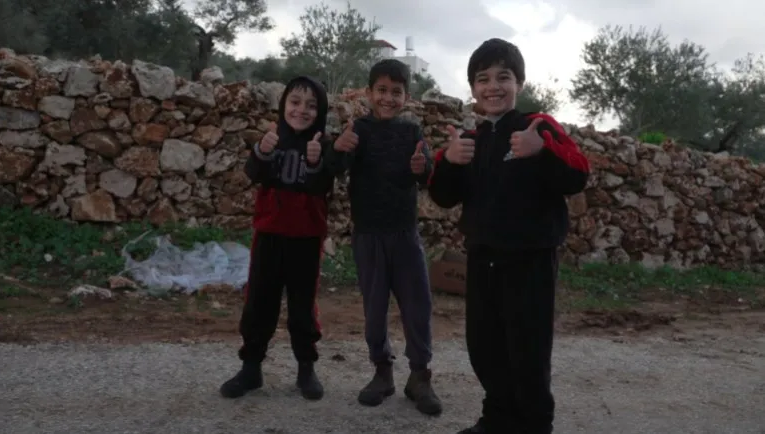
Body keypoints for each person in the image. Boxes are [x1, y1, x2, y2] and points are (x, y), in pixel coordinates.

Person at [427, 38, 590, 433]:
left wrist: (541, 151)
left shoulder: (539, 126)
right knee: (485, 346)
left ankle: (534, 425)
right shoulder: (469, 140)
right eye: (482, 79)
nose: (492, 87)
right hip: (482, 257)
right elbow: (442, 196)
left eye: (503, 77)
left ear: (519, 82)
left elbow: (577, 175)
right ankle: (497, 420)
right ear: (472, 89)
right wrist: (448, 162)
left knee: (528, 350)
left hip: (531, 259)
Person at [325, 58, 442, 416]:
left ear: (406, 97)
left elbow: (427, 176)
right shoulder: (356, 129)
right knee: (374, 310)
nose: (388, 98)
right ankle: (382, 373)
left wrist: (425, 169)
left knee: (417, 307)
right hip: (368, 237)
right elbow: (334, 171)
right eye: (382, 90)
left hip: (405, 235)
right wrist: (339, 149)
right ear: (368, 93)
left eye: (396, 92)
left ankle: (420, 376)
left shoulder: (411, 133)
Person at [219, 76, 334, 402]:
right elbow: (254, 173)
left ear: (321, 110)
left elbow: (323, 187)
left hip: (307, 238)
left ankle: (306, 369)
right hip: (269, 234)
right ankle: (251, 368)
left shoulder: (324, 145)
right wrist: (261, 152)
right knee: (259, 301)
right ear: (283, 105)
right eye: (295, 102)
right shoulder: (272, 138)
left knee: (302, 307)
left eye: (312, 105)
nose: (302, 110)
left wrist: (315, 162)